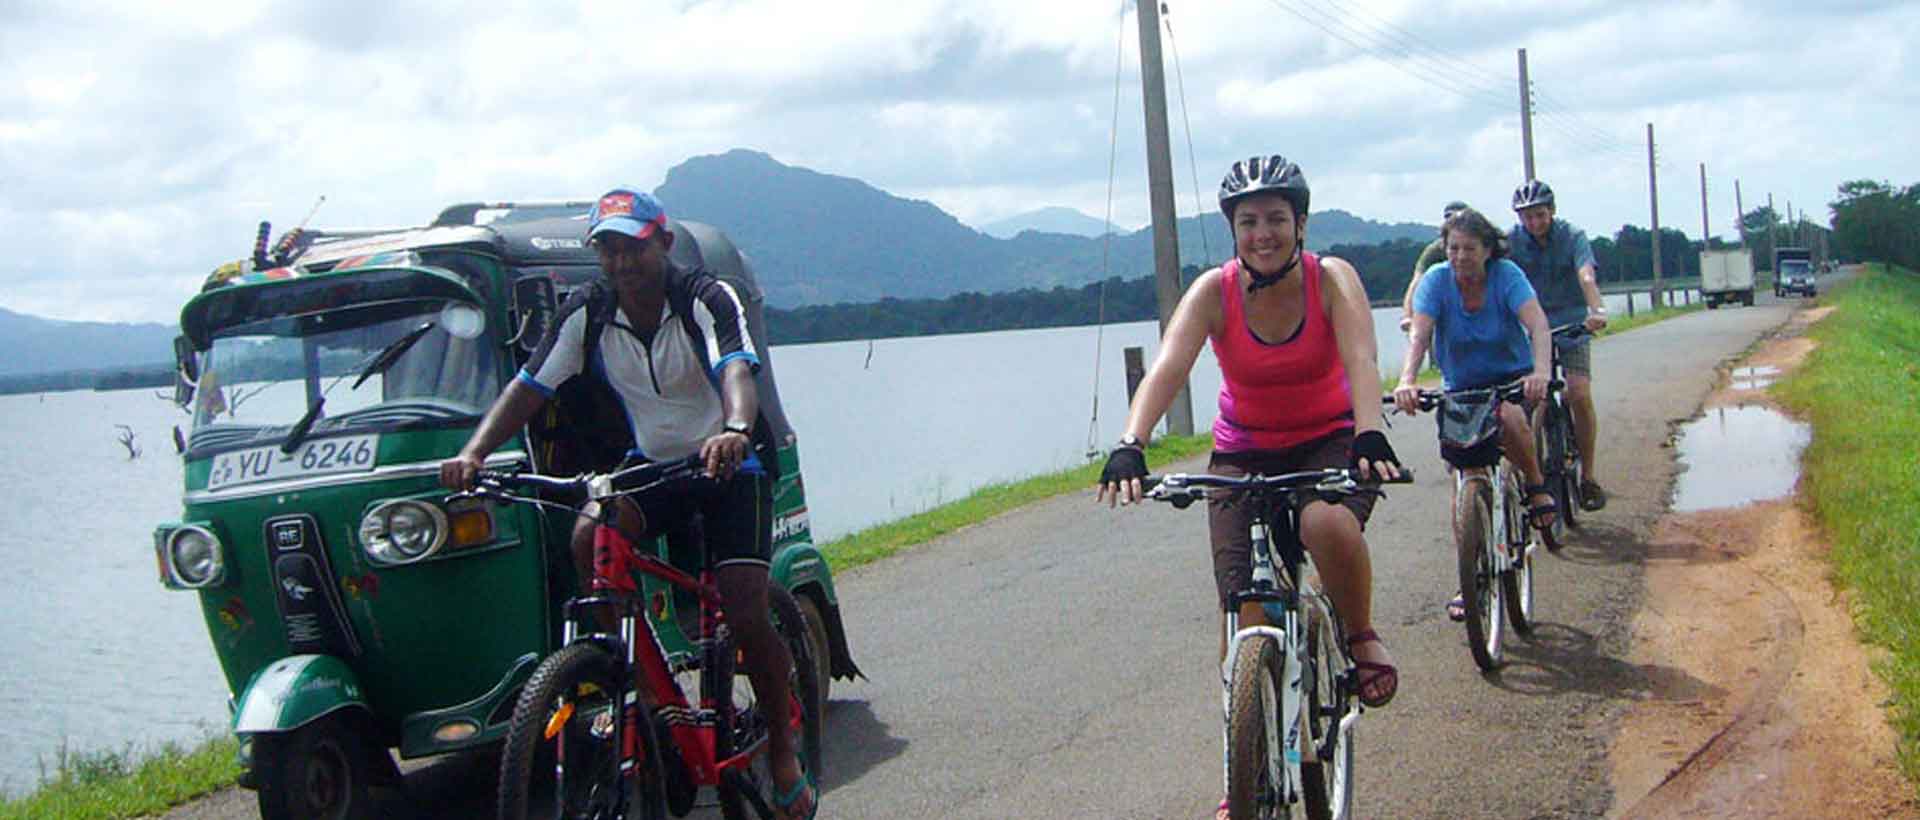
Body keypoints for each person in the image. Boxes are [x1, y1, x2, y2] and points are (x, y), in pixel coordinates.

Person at [439, 188, 815, 819]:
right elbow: (530, 387)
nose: (619, 263)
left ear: (662, 244)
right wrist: (474, 452)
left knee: (746, 610)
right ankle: (642, 685)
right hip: (653, 465)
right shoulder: (587, 311)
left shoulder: (704, 297)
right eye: (607, 250)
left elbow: (736, 371)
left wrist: (734, 427)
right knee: (593, 536)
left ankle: (782, 751)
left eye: (632, 247)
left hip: (728, 463)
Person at [1097, 153, 1403, 723]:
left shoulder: (1331, 278)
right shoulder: (1216, 290)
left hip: (1331, 437)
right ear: (1233, 230)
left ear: (1300, 224)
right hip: (1243, 449)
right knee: (1244, 613)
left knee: (1324, 523)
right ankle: (1245, 762)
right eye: (1248, 222)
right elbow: (1168, 368)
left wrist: (1369, 433)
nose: (1263, 234)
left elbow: (1361, 359)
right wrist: (1131, 442)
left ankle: (1359, 635)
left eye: (1276, 219)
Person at [1390, 207, 1555, 620]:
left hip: (1512, 380)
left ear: (1487, 250)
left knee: (1513, 419)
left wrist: (1541, 372)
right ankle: (1471, 576)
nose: (1460, 256)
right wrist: (1408, 378)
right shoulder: (1436, 281)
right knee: (1465, 479)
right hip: (1461, 388)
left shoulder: (1507, 276)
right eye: (1453, 248)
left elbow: (1537, 325)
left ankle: (1535, 486)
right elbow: (1420, 333)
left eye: (1469, 248)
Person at [1506, 179, 1609, 511]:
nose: (1533, 223)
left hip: (1572, 323)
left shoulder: (1573, 236)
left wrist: (1596, 310)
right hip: (1532, 328)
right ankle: (1531, 474)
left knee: (1577, 393)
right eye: (1527, 217)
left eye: (1539, 215)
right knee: (1526, 398)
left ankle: (1589, 477)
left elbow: (1586, 276)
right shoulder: (1511, 241)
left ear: (1552, 211)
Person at [1399, 200, 1472, 335]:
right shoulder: (1434, 251)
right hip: (1445, 305)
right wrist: (1408, 315)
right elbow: (1417, 283)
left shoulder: (1483, 245)